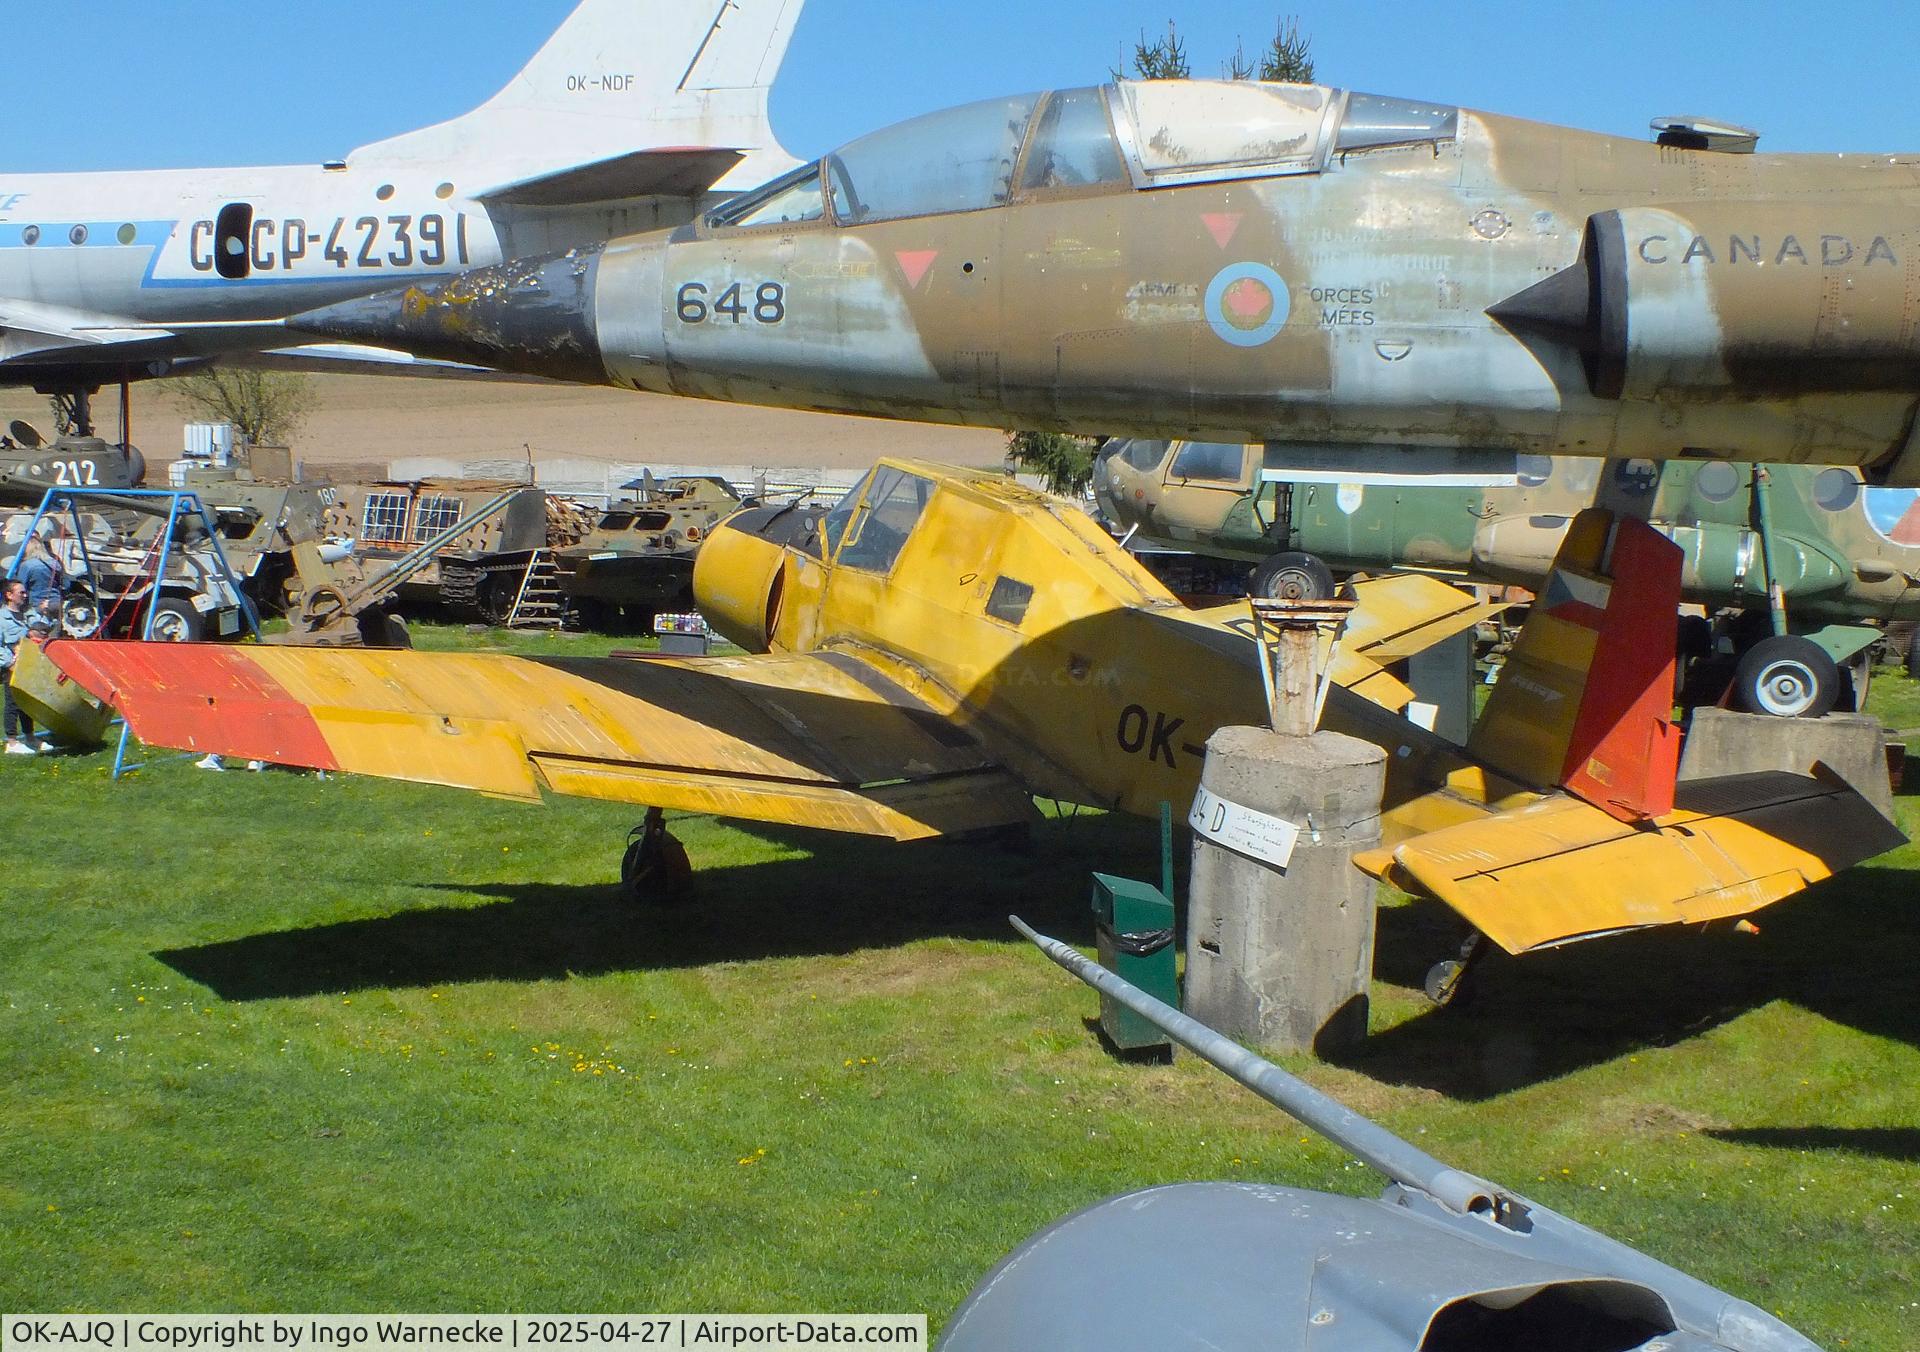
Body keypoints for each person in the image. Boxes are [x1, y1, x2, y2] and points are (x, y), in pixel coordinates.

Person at [1, 579, 42, 755]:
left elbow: (43, 628)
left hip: (27, 664)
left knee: (27, 701)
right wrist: (8, 663)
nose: (25, 595)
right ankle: (11, 741)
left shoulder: (27, 614)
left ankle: (30, 738)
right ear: (9, 595)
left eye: (25, 592)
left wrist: (43, 613)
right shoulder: (2, 619)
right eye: (21, 593)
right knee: (13, 703)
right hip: (10, 666)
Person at [15, 532, 64, 616]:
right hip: (57, 603)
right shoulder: (55, 563)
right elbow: (64, 584)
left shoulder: (27, 565)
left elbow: (20, 587)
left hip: (38, 605)